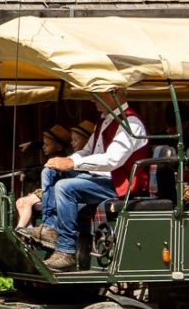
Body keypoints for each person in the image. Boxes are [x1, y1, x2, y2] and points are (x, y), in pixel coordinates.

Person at [26, 94, 150, 273]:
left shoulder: (130, 123)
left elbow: (112, 160)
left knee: (65, 187)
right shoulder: (106, 121)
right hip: (100, 178)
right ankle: (50, 228)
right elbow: (87, 151)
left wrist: (72, 164)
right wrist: (66, 160)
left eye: (96, 95)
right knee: (49, 172)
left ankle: (67, 250)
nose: (92, 100)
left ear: (113, 94)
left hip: (119, 183)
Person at [14, 121, 90, 229]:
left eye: (75, 140)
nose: (73, 143)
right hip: (52, 189)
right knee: (21, 202)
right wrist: (33, 144)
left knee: (24, 202)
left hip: (56, 190)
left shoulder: (65, 158)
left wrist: (29, 173)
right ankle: (28, 229)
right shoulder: (66, 153)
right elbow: (50, 145)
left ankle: (23, 228)